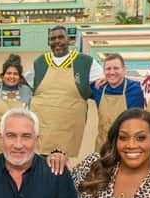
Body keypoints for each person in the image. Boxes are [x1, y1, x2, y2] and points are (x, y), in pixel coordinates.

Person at [26, 25, 103, 158]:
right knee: (41, 160)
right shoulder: (40, 62)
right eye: (53, 38)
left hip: (69, 126)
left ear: (69, 40)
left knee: (63, 163)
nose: (57, 41)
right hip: (44, 123)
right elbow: (24, 83)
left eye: (61, 37)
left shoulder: (85, 62)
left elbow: (103, 83)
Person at [0, 54, 33, 160]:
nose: (12, 76)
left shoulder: (26, 91)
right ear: (2, 75)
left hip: (18, 143)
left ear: (20, 77)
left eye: (15, 74)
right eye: (8, 73)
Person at [90, 53, 144, 152]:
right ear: (104, 71)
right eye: (108, 69)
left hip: (127, 148)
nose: (112, 72)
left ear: (124, 70)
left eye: (116, 68)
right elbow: (78, 86)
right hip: (103, 146)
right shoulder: (98, 88)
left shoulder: (137, 88)